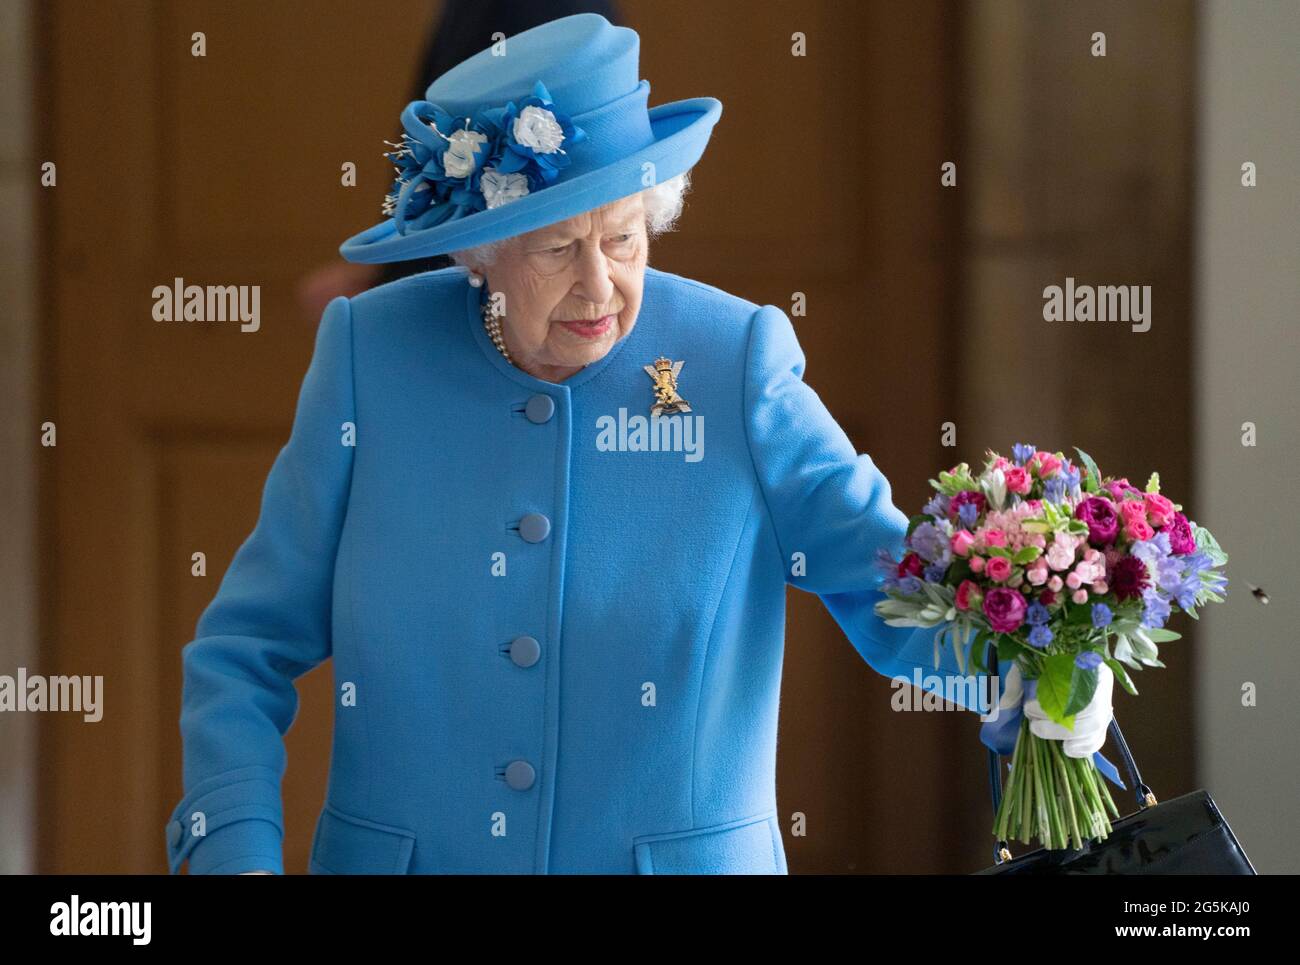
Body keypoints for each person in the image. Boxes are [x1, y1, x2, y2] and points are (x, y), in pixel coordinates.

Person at [165, 13, 1111, 875]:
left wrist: (1044, 670)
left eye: (623, 239)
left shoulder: (734, 360)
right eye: (553, 250)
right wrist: (235, 851)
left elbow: (890, 583)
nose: (599, 286)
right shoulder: (372, 359)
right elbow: (244, 648)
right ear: (479, 251)